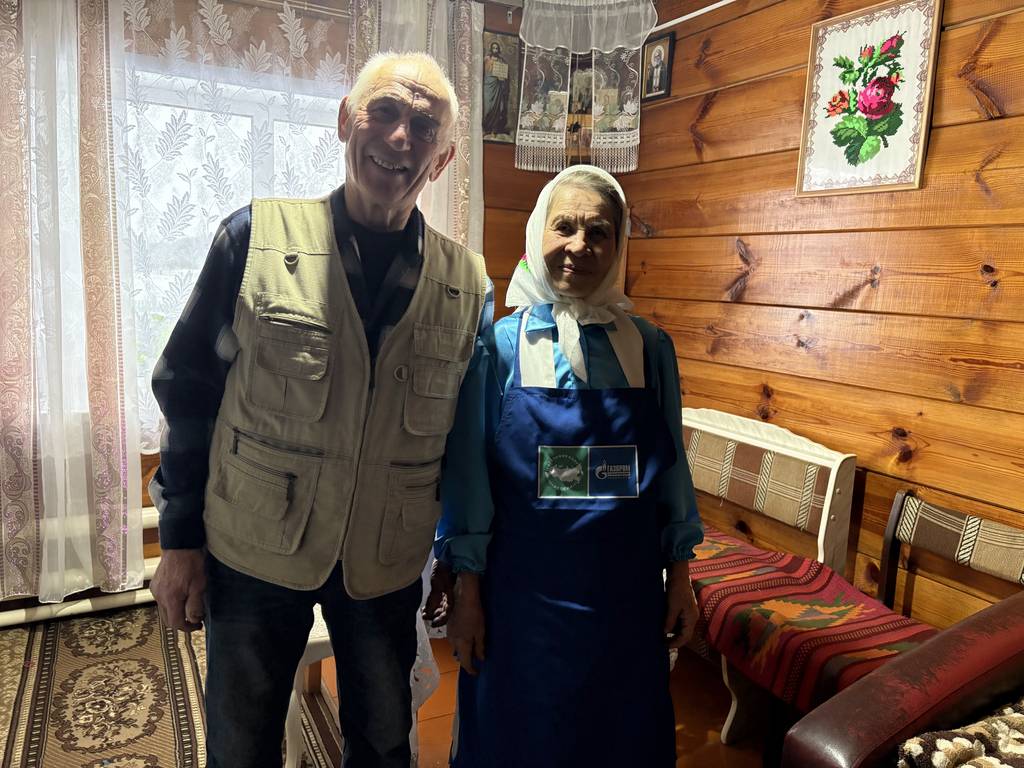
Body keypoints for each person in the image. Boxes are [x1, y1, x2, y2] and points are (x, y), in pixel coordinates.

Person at [148, 51, 491, 768]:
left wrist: (462, 566)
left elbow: (466, 441)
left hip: (384, 563)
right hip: (253, 549)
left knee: (385, 745)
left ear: (444, 157)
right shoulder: (251, 239)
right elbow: (186, 385)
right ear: (344, 121)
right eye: (384, 112)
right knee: (241, 747)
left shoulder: (467, 284)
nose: (400, 137)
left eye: (423, 126)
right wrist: (179, 542)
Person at [432, 164, 704, 767]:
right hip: (522, 604)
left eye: (599, 232)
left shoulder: (649, 348)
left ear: (618, 245)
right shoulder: (500, 347)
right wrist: (467, 590)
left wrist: (681, 575)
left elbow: (671, 473)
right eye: (565, 227)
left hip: (626, 601)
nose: (580, 246)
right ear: (538, 233)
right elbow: (470, 479)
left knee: (621, 742)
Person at [483, 41, 511, 136]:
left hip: (497, 86)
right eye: (493, 48)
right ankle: (486, 128)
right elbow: (481, 72)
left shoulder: (501, 61)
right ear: (491, 49)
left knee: (496, 108)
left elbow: (504, 76)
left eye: (496, 48)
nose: (495, 50)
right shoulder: (486, 59)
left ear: (498, 50)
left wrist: (502, 79)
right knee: (487, 107)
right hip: (487, 85)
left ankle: (494, 129)